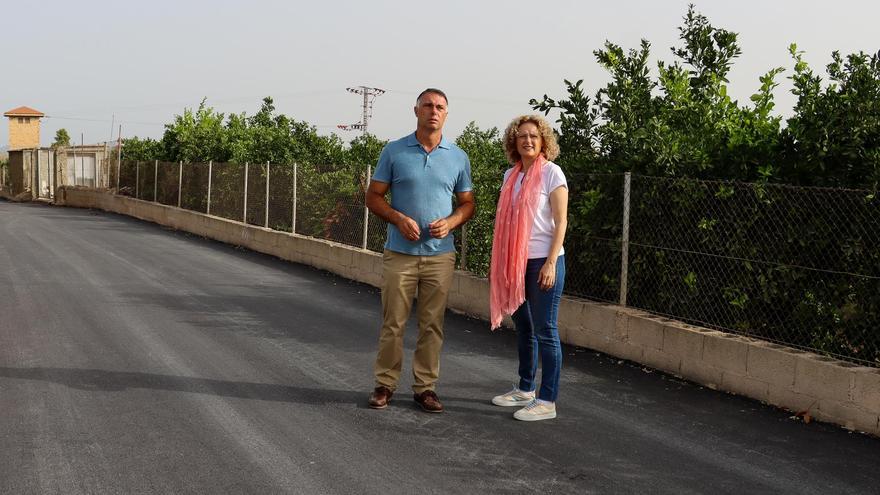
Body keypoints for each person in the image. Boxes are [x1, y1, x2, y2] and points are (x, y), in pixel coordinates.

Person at [366, 88, 475, 413]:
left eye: (440, 106)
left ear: (446, 113)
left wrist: (453, 221)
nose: (433, 110)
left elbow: (468, 204)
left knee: (432, 325)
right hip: (399, 254)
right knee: (393, 323)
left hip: (440, 255)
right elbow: (373, 197)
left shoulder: (458, 156)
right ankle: (384, 385)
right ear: (416, 111)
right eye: (427, 105)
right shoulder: (394, 151)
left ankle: (425, 389)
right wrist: (399, 219)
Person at [488, 114, 568, 421]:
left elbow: (561, 222)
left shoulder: (552, 174)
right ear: (514, 141)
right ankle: (525, 389)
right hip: (515, 262)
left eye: (534, 135)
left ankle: (547, 400)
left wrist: (550, 262)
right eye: (522, 136)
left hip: (543, 262)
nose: (528, 140)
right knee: (524, 327)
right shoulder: (512, 175)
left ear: (544, 140)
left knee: (545, 329)